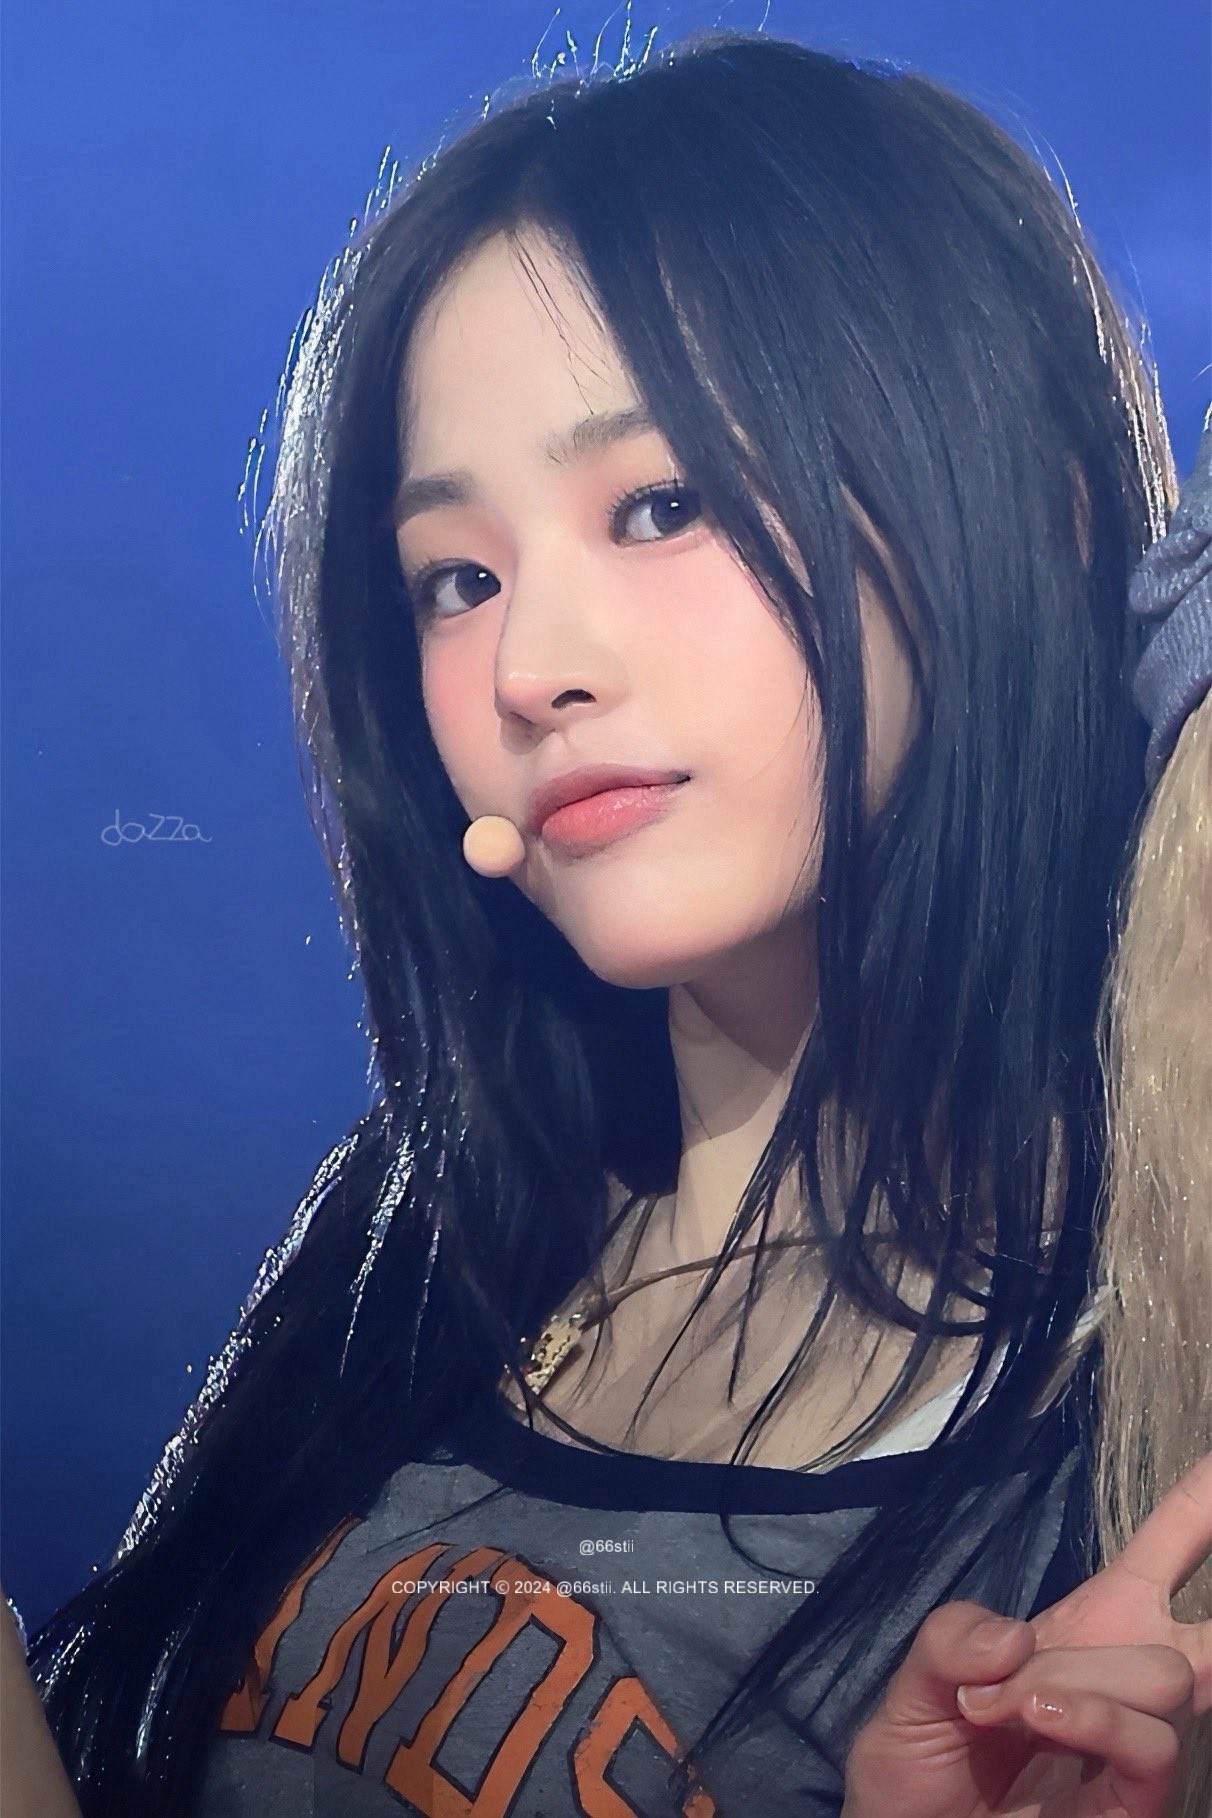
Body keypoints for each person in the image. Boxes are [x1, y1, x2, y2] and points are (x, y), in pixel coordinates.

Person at [10, 27, 1210, 1817]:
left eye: (661, 504)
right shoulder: (417, 1243)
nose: (531, 664)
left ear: (1019, 502)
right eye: (456, 576)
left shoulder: (1138, 1422)